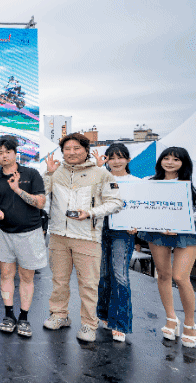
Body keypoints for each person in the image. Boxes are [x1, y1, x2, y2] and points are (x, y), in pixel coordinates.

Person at [43, 133, 123, 342]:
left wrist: (90, 213)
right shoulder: (55, 172)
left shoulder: (101, 174)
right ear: (62, 152)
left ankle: (89, 324)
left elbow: (116, 202)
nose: (72, 152)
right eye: (67, 149)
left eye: (76, 148)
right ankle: (59, 315)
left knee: (88, 284)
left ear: (86, 150)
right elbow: (41, 197)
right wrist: (48, 174)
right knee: (59, 280)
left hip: (87, 236)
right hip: (58, 235)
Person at [137, 147, 196, 347]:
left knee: (180, 277)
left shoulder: (189, 184)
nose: (170, 162)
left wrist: (178, 224)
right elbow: (143, 207)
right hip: (157, 232)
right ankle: (171, 318)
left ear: (184, 163)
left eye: (176, 159)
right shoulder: (149, 182)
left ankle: (190, 323)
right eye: (166, 158)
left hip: (186, 233)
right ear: (160, 161)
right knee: (163, 275)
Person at [0, 138, 46, 338]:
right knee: (6, 275)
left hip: (29, 233)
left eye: (7, 152)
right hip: (3, 233)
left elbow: (40, 203)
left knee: (27, 277)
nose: (4, 156)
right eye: (0, 153)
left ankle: (24, 317)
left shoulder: (31, 174)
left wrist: (18, 189)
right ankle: (8, 315)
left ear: (15, 153)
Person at [90, 143, 140, 342]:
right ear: (107, 160)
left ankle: (120, 322)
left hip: (123, 232)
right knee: (102, 273)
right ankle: (103, 313)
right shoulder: (101, 177)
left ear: (128, 159)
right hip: (100, 228)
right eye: (112, 157)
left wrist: (137, 225)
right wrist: (96, 169)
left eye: (120, 157)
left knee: (119, 275)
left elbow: (143, 208)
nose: (116, 161)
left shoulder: (137, 182)